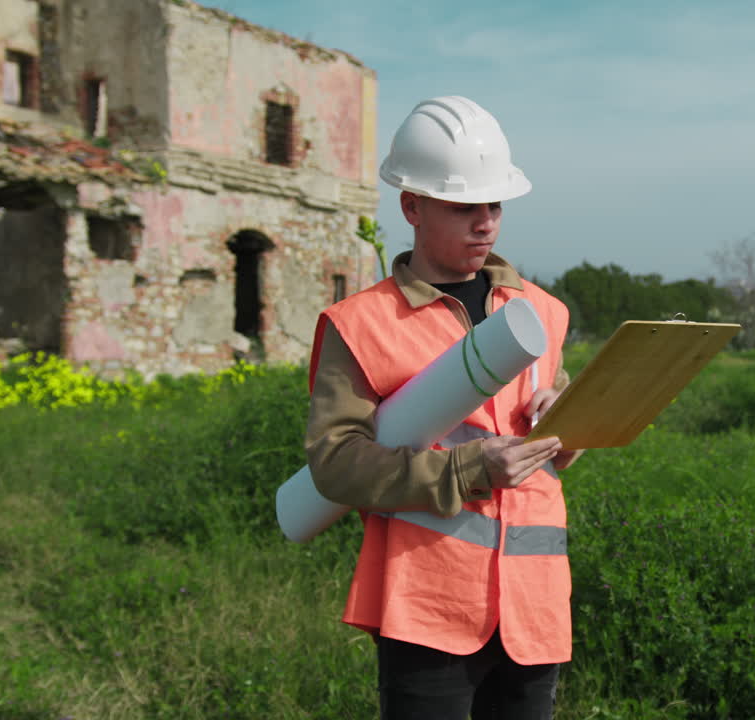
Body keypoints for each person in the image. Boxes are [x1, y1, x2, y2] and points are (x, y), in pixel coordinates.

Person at [304, 95, 581, 719]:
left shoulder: (543, 311)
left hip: (535, 608)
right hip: (428, 610)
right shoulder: (361, 323)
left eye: (495, 205)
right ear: (412, 206)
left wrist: (566, 421)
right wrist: (467, 471)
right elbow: (334, 464)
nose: (486, 223)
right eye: (463, 208)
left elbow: (563, 449)